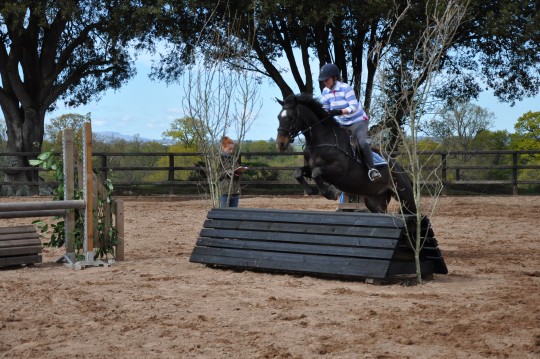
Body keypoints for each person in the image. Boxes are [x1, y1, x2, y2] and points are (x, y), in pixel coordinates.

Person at [318, 63, 381, 181]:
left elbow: (354, 107)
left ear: (334, 78)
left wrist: (339, 112)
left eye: (326, 79)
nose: (324, 82)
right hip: (341, 123)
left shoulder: (345, 88)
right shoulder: (325, 92)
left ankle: (372, 170)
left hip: (357, 121)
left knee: (362, 143)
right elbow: (325, 108)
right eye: (323, 80)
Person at [219, 136, 246, 207]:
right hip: (224, 190)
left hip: (235, 190)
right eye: (229, 149)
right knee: (223, 212)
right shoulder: (218, 159)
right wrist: (229, 173)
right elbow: (215, 175)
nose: (231, 151)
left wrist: (239, 173)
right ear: (223, 147)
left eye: (232, 149)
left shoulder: (234, 158)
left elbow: (237, 170)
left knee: (234, 213)